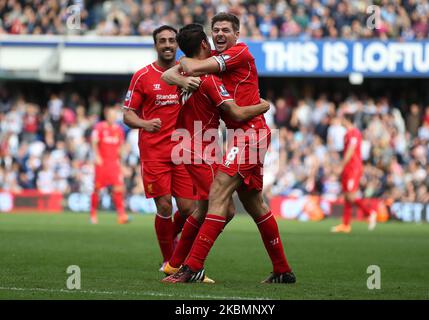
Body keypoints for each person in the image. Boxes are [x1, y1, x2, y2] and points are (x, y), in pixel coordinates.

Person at [163, 13, 295, 284]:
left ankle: (192, 266)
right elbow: (183, 68)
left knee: (218, 193)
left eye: (226, 30)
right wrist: (263, 104)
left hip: (250, 134)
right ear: (208, 38)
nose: (220, 34)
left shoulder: (240, 52)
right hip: (242, 134)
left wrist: (185, 68)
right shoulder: (210, 68)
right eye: (216, 30)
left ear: (237, 34)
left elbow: (189, 68)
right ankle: (283, 270)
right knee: (255, 204)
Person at [122, 25, 198, 270]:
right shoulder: (143, 76)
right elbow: (127, 115)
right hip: (154, 151)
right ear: (155, 45)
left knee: (188, 208)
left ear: (177, 44)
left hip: (182, 150)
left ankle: (169, 238)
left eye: (171, 40)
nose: (167, 44)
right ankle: (170, 261)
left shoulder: (189, 71)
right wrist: (145, 123)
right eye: (162, 40)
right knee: (164, 204)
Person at [331, 111, 378, 233]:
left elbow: (351, 150)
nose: (340, 121)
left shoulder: (354, 133)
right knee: (347, 197)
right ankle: (346, 225)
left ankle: (370, 213)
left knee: (351, 196)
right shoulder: (346, 134)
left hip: (354, 168)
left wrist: (341, 165)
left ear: (347, 120)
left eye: (342, 119)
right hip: (348, 168)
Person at [90, 106, 129, 224]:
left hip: (114, 163)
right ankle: (93, 214)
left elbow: (121, 147)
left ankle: (121, 215)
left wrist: (121, 162)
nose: (112, 118)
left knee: (118, 188)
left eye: (114, 116)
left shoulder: (119, 130)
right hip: (102, 163)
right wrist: (96, 156)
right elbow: (94, 142)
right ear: (106, 116)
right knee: (97, 189)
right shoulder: (99, 127)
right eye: (110, 115)